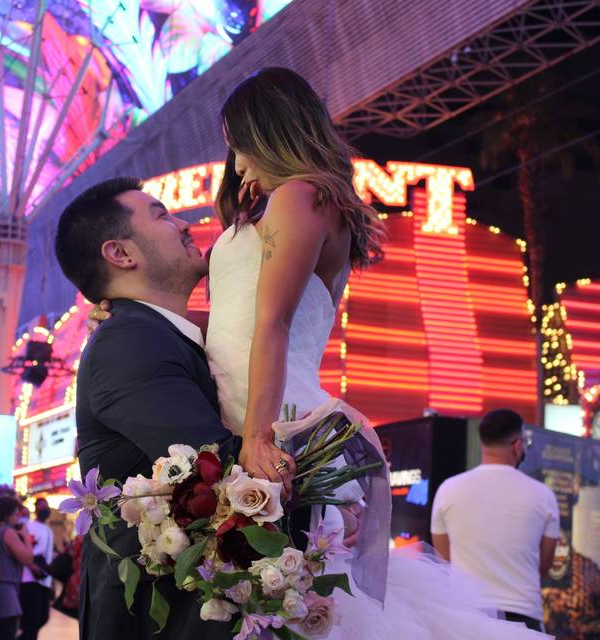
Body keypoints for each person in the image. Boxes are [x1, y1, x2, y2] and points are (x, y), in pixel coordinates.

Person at [65, 68, 548, 639]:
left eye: (239, 148)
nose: (238, 167)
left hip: (271, 408)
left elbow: (271, 323)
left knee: (308, 603)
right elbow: (240, 321)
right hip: (259, 403)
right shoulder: (286, 207)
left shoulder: (301, 197)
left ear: (265, 132)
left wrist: (257, 435)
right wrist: (132, 312)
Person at [56, 177, 243, 639]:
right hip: (161, 617)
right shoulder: (130, 341)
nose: (182, 224)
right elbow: (216, 464)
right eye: (162, 214)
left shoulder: (159, 333)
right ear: (120, 254)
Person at [431, 409, 560, 632]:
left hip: (466, 617)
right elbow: (545, 565)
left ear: (482, 441)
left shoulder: (448, 490)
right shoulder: (543, 495)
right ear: (518, 444)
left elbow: (443, 558)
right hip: (522, 618)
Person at [0, 496, 33, 640]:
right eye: (16, 514)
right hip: (5, 594)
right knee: (5, 632)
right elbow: (27, 558)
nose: (18, 518)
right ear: (6, 515)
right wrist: (26, 536)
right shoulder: (7, 532)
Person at [18, 499, 54, 640]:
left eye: (47, 506)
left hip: (44, 580)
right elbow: (24, 549)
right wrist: (32, 567)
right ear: (36, 508)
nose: (45, 509)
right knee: (30, 623)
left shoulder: (48, 530)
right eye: (42, 506)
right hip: (29, 580)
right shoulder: (29, 526)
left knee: (43, 617)